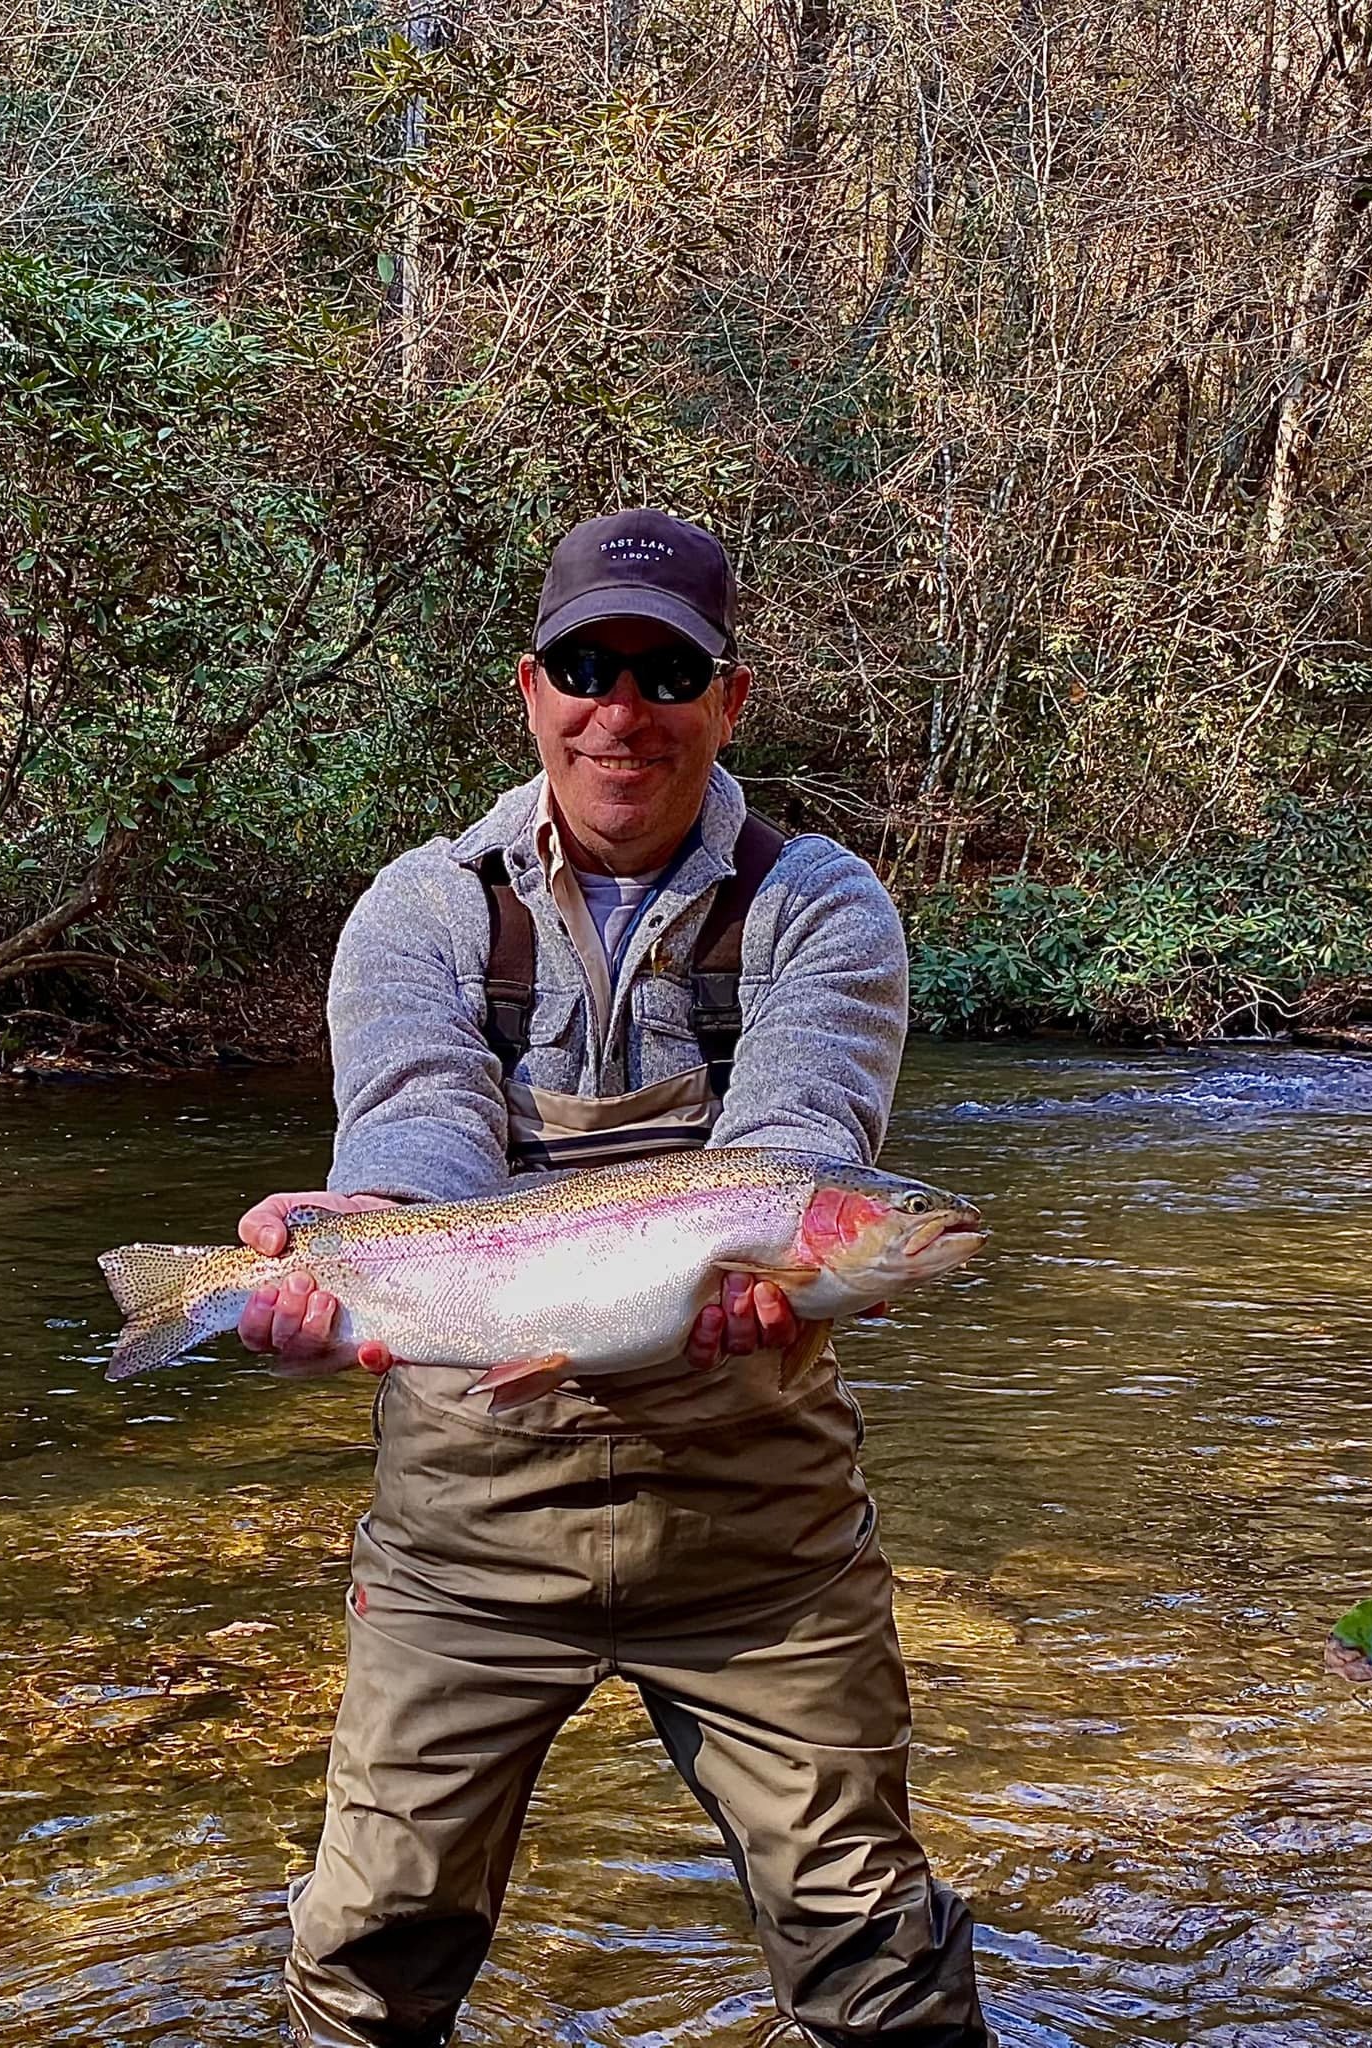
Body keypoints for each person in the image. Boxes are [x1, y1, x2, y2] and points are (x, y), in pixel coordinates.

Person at [238, 509, 992, 2047]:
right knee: (367, 1964)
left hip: (757, 1546)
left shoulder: (819, 906)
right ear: (532, 688)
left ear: (733, 698)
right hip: (468, 1541)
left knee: (879, 1973)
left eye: (667, 673)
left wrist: (789, 1254)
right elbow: (425, 1134)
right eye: (589, 667)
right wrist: (368, 1254)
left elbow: (795, 1143)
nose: (622, 712)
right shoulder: (423, 909)